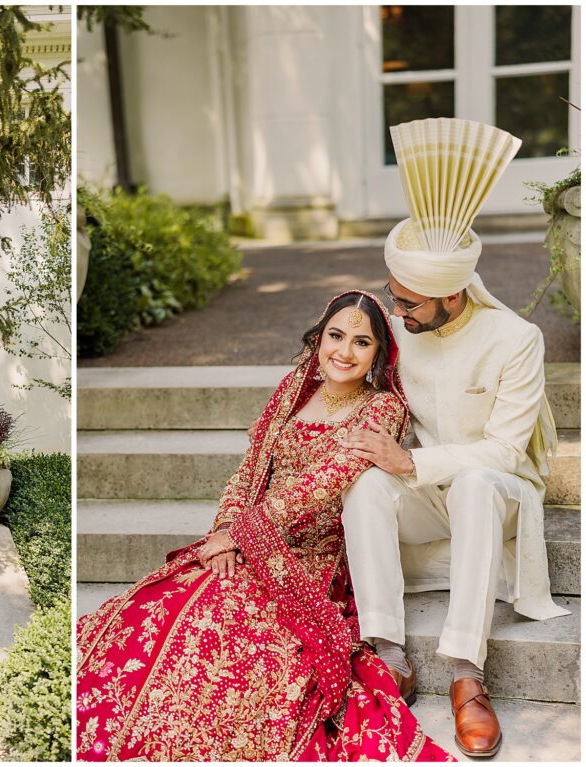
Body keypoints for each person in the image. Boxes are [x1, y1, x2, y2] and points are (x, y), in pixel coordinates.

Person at [76, 290, 454, 762]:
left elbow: (321, 484)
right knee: (166, 602)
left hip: (313, 559)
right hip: (250, 540)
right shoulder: (296, 390)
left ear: (379, 352)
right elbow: (248, 470)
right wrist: (226, 533)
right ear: (318, 339)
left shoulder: (380, 410)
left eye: (362, 342)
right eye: (336, 336)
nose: (344, 351)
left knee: (228, 628)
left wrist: (242, 533)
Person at [341, 118, 569, 759]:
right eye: (396, 297)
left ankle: (468, 674)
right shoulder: (402, 327)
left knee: (472, 479)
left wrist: (412, 459)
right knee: (364, 482)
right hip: (424, 491)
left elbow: (504, 450)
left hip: (493, 492)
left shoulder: (515, 340)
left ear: (452, 295)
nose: (399, 313)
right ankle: (387, 653)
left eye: (410, 303)